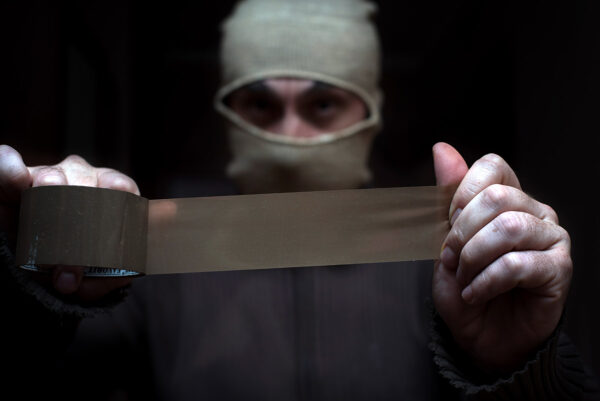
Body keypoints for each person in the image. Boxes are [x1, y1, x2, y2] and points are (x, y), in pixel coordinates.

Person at [0, 0, 598, 399]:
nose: (289, 136)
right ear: (227, 113)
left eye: (323, 105)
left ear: (369, 111)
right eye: (260, 105)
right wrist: (35, 296)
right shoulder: (156, 245)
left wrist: (517, 365)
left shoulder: (447, 247)